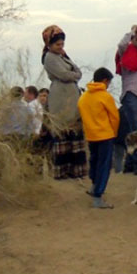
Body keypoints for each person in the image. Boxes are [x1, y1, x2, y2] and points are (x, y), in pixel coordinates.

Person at [42, 30, 87, 179]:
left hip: (71, 98)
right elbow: (65, 75)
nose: (61, 46)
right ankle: (62, 171)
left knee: (74, 132)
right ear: (49, 44)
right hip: (60, 99)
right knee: (63, 132)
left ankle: (76, 170)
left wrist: (67, 59)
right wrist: (74, 76)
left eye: (62, 43)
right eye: (57, 44)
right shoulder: (49, 57)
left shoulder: (62, 57)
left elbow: (77, 71)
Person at [78, 68, 120, 209]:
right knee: (104, 165)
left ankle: (94, 186)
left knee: (94, 161)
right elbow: (115, 117)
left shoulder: (83, 97)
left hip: (91, 135)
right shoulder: (105, 96)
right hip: (105, 135)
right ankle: (98, 197)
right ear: (105, 80)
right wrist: (113, 133)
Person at [114, 26, 137, 173]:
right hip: (131, 94)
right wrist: (131, 32)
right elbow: (121, 44)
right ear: (133, 39)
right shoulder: (126, 51)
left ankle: (130, 164)